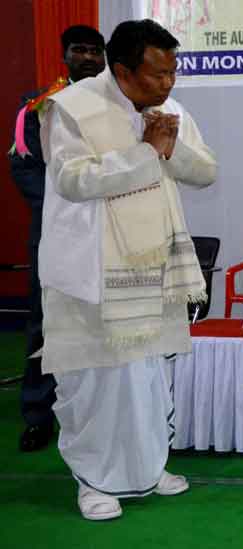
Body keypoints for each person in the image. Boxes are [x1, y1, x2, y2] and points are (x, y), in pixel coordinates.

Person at [38, 19, 217, 520]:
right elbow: (73, 180)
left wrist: (169, 146)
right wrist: (145, 152)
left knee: (147, 375)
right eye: (158, 74)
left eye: (173, 72)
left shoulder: (170, 110)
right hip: (91, 272)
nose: (168, 83)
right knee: (97, 379)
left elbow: (206, 171)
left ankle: (147, 467)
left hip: (153, 266)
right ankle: (93, 481)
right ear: (122, 71)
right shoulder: (71, 108)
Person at [9, 25, 106, 453]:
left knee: (105, 320)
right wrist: (68, 210)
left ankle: (97, 409)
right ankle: (38, 413)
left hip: (108, 231)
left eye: (95, 50)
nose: (88, 57)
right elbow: (26, 169)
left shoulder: (120, 103)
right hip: (55, 231)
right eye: (78, 50)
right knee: (47, 322)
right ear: (64, 56)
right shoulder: (39, 106)